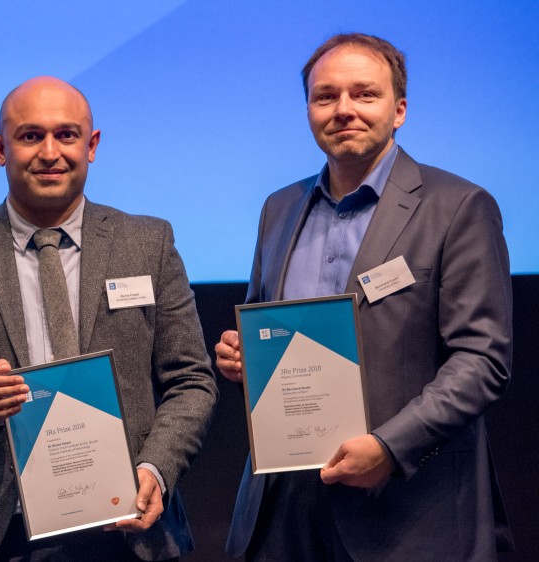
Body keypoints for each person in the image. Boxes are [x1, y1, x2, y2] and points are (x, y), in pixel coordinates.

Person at [0, 76, 218, 561]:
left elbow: (192, 381)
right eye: (30, 136)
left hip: (128, 524)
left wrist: (156, 466)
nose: (50, 152)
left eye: (66, 135)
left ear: (92, 145)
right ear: (0, 149)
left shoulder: (148, 242)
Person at [215, 33, 513, 561]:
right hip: (285, 510)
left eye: (364, 94)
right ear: (308, 110)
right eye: (326, 96)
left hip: (405, 509)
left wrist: (390, 447)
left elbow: (482, 358)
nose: (343, 110)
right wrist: (246, 357)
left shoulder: (459, 206)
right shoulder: (278, 208)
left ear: (399, 110)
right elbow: (268, 326)